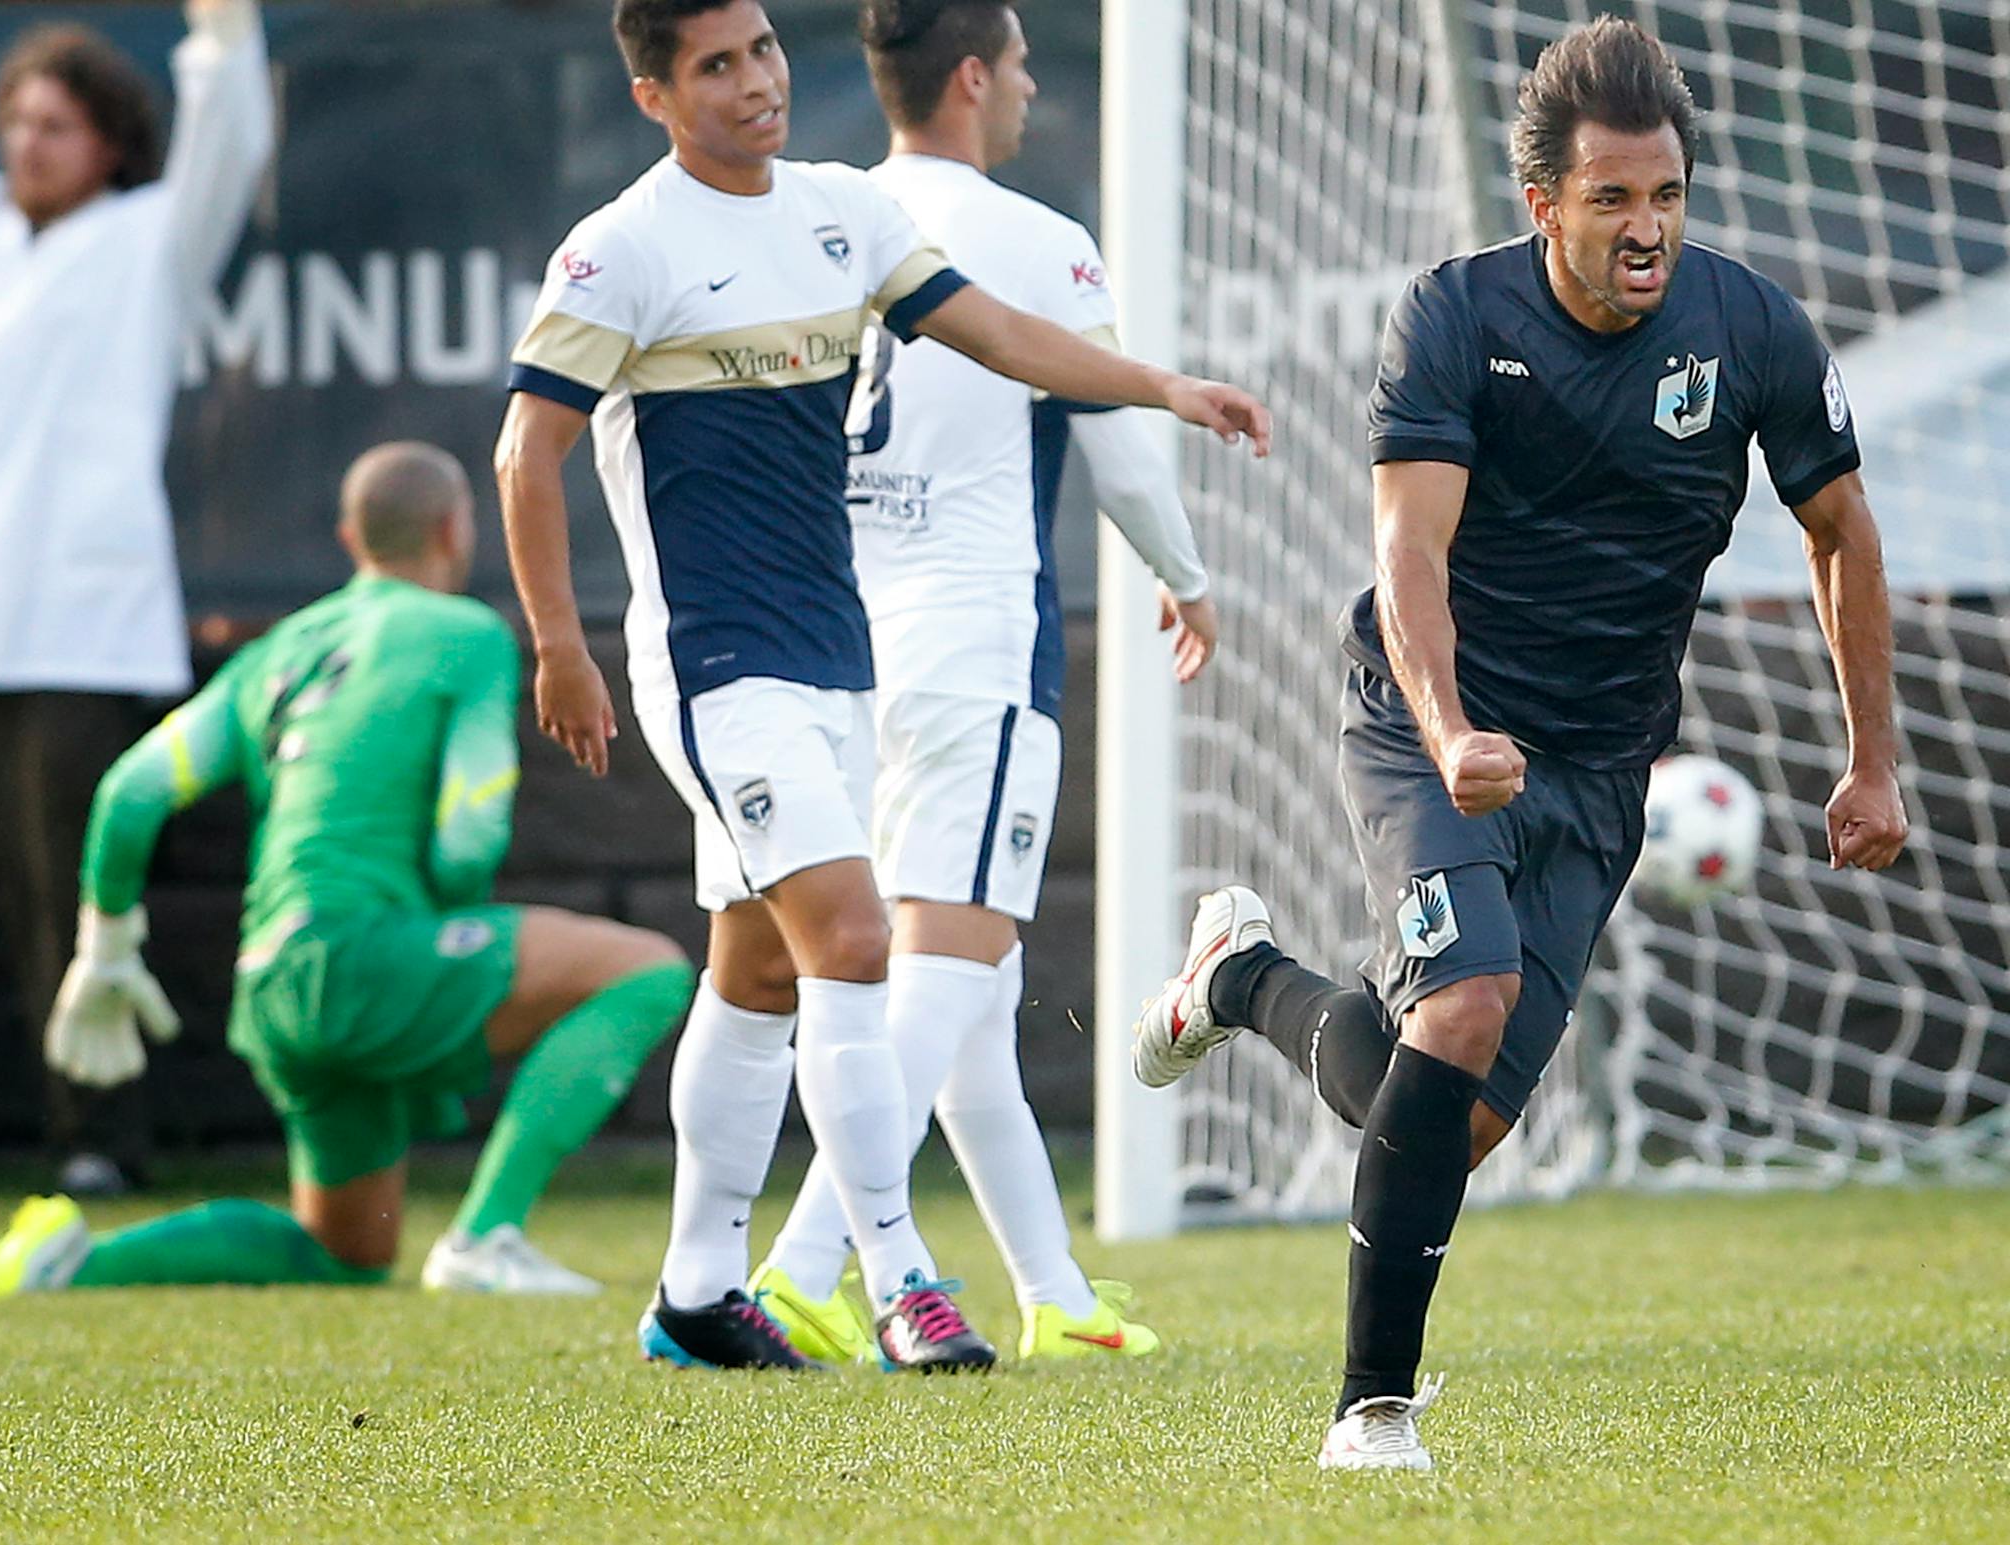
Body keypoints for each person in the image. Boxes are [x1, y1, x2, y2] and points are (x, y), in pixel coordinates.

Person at [1131, 17, 1907, 1469]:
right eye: (1612, 198)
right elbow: (1407, 556)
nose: (1647, 227)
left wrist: (1873, 757)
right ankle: (1372, 1410)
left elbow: (1841, 531)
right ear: (1542, 203)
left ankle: (1239, 978)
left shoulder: (1751, 332)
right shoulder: (1454, 316)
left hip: (1602, 767)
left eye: (1666, 194)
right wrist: (1452, 729)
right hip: (1429, 722)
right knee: (1469, 1001)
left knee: (1451, 1112)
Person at [494, 0, 1268, 1371]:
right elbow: (524, 456)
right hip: (712, 666)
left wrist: (1162, 385)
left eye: (766, 52)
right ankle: (898, 1279)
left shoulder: (844, 214)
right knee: (854, 940)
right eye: (716, 67)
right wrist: (560, 643)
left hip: (842, 654)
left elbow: (1010, 340)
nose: (755, 84)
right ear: (654, 97)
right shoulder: (619, 248)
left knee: (753, 972)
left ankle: (694, 1290)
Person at [749, 0, 1217, 1365]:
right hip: (972, 639)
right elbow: (1121, 447)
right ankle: (803, 1265)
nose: (1024, 88)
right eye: (1014, 64)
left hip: (843, 647)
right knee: (948, 968)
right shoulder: (1033, 238)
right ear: (969, 77)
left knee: (969, 976)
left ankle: (1058, 1296)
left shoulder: (821, 215)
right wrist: (1186, 575)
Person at [0, 443, 695, 1299]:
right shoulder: (466, 635)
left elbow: (130, 792)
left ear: (351, 536)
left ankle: (79, 1264)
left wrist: (107, 950)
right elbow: (469, 835)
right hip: (369, 956)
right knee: (648, 971)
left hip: (271, 986)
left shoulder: (278, 652)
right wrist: (439, 942)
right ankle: (486, 1236)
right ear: (456, 530)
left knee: (345, 1249)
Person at [0, 0, 274, 1198]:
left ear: (113, 146)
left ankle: (96, 1142)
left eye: (62, 125)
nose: (32, 143)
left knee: (73, 906)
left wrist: (223, 28)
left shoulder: (154, 241)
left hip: (78, 639)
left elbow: (229, 133)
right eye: (20, 122)